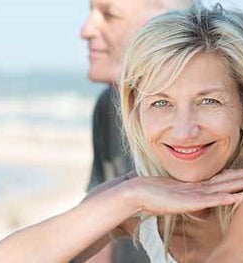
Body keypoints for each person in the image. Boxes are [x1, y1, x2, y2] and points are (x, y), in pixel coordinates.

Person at [0, 2, 243, 262]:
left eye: (209, 101)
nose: (184, 129)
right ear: (136, 113)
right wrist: (128, 196)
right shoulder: (143, 197)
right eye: (161, 103)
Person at [80, 0, 192, 261]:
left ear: (165, 24)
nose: (86, 30)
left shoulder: (206, 132)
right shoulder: (110, 105)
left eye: (109, 15)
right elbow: (99, 237)